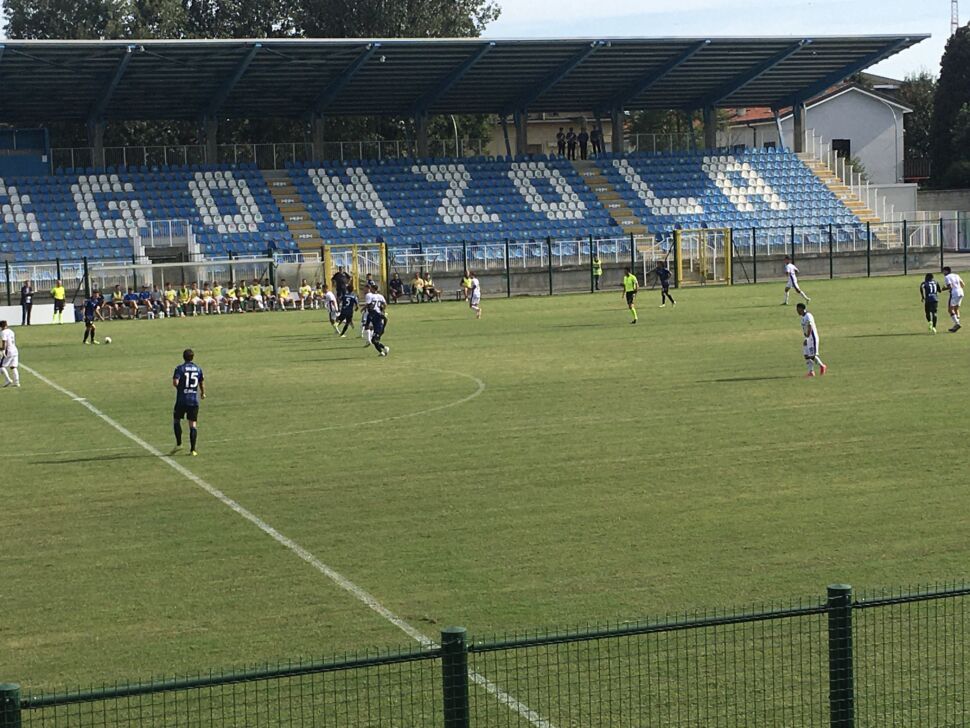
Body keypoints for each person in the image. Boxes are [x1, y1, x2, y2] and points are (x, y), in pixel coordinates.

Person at [172, 348, 205, 456]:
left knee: (176, 420)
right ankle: (193, 450)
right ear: (192, 357)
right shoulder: (198, 369)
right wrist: (202, 393)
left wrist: (181, 388)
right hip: (193, 401)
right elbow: (201, 382)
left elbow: (175, 382)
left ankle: (179, 444)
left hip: (182, 400)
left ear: (183, 357)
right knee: (193, 425)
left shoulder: (180, 368)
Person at [796, 302, 827, 377]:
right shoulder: (803, 318)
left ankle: (822, 366)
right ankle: (811, 372)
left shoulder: (808, 316)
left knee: (812, 356)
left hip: (812, 338)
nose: (797, 311)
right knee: (806, 355)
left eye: (798, 309)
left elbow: (810, 327)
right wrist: (805, 338)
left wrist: (807, 338)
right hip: (807, 338)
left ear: (802, 309)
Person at [366, 283, 390, 357]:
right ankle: (383, 350)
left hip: (379, 323)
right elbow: (385, 304)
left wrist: (383, 327)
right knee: (375, 340)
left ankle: (384, 349)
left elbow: (385, 319)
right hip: (378, 318)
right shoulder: (380, 296)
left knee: (374, 340)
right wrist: (383, 310)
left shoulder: (371, 296)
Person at [942, 266, 965, 333]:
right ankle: (956, 326)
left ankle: (957, 324)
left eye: (944, 271)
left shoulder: (947, 277)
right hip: (961, 292)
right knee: (956, 309)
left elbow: (950, 286)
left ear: (947, 271)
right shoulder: (956, 275)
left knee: (950, 309)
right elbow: (963, 285)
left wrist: (944, 289)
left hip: (954, 293)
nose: (943, 273)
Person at [0, 320, 20, 388]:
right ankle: (17, 382)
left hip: (8, 351)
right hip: (15, 350)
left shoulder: (3, 332)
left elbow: (4, 342)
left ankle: (8, 380)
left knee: (1, 366)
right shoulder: (11, 331)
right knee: (13, 366)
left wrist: (2, 349)